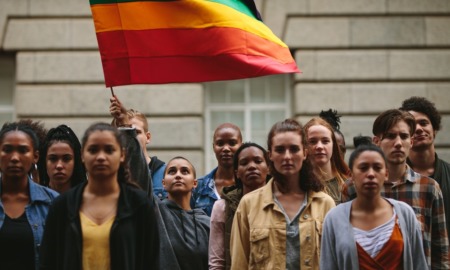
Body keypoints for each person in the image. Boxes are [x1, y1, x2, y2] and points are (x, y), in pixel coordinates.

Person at [39, 123, 159, 270]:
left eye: (109, 150)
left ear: (122, 155)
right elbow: (48, 262)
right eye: (93, 150)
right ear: (82, 155)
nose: (101, 157)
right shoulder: (62, 206)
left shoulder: (139, 205)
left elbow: (150, 262)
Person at [342, 109, 449, 269]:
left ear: (411, 142)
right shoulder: (353, 187)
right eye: (391, 136)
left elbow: (441, 253)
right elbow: (342, 245)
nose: (398, 143)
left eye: (404, 136)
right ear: (376, 141)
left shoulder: (429, 188)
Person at [230, 119, 335, 269]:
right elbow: (239, 265)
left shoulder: (325, 204)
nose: (287, 156)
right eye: (280, 150)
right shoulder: (249, 204)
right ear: (270, 155)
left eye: (294, 149)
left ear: (305, 153)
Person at [320, 144, 427, 269]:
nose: (371, 174)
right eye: (363, 168)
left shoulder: (404, 213)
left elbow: (419, 263)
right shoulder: (334, 218)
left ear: (386, 173)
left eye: (377, 168)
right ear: (351, 175)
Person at [0, 121, 58, 269]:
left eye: (23, 150)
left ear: (35, 156)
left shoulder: (52, 203)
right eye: (7, 149)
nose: (14, 157)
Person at [209, 142, 270, 270]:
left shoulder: (280, 202)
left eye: (258, 161)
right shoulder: (222, 207)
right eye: (244, 163)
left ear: (268, 167)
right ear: (237, 172)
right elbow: (216, 262)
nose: (252, 166)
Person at [400, 96, 450, 243]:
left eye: (424, 123)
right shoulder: (392, 178)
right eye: (413, 125)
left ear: (434, 130)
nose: (419, 129)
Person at [153, 156, 210, 270]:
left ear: (195, 183)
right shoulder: (155, 212)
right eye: (172, 171)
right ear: (163, 183)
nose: (178, 175)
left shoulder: (207, 223)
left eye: (185, 171)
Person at [110, 95, 167, 199]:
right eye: (122, 132)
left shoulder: (166, 173)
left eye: (136, 132)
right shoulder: (108, 175)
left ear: (148, 137)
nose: (131, 136)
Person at [192, 123, 243, 216]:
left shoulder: (249, 185)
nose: (226, 148)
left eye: (232, 143)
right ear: (213, 147)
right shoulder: (198, 188)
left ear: (241, 146)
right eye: (220, 143)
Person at [304, 117, 349, 205]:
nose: (319, 146)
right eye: (313, 142)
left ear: (333, 145)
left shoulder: (349, 184)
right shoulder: (298, 186)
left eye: (325, 141)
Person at [37, 124, 86, 193]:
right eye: (53, 159)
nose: (59, 166)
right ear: (44, 161)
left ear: (76, 161)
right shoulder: (33, 199)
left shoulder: (87, 200)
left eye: (66, 159)